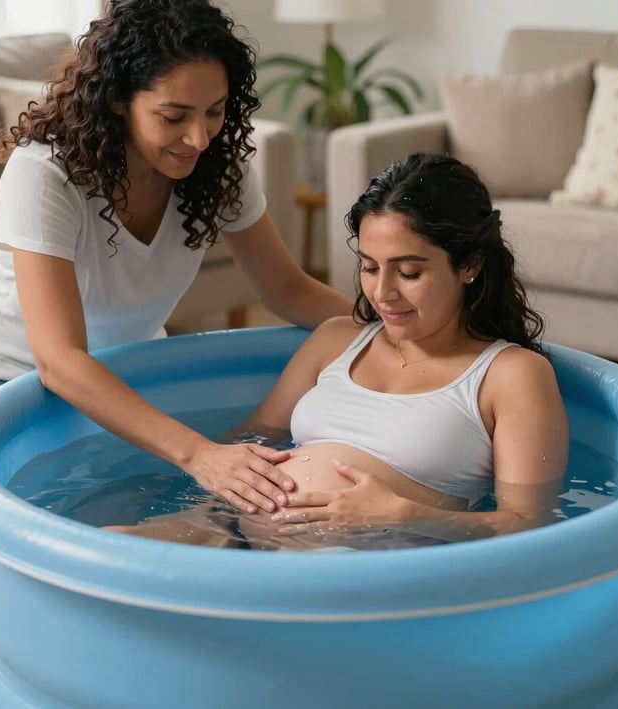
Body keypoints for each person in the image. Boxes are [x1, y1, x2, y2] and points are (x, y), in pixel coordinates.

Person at [0, 0, 352, 514]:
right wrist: (202, 453)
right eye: (173, 116)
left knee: (148, 517)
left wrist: (402, 328)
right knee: (67, 524)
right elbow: (60, 360)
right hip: (15, 375)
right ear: (118, 100)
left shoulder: (217, 167)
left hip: (128, 364)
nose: (199, 137)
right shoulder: (45, 174)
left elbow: (288, 290)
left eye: (215, 111)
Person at [108, 152, 570, 551]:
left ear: (469, 265)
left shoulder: (511, 374)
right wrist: (188, 492)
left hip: (376, 570)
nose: (382, 293)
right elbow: (251, 439)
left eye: (409, 272)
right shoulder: (336, 340)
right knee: (113, 546)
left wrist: (404, 515)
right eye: (369, 267)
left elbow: (529, 526)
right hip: (232, 532)